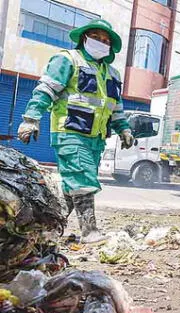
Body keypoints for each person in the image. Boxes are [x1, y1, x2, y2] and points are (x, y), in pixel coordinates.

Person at [17, 19, 133, 244]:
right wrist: (31, 119)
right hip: (70, 132)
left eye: (106, 40)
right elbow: (46, 90)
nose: (101, 42)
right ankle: (89, 232)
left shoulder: (113, 73)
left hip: (96, 139)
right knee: (81, 179)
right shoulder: (68, 60)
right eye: (96, 37)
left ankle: (45, 230)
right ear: (84, 38)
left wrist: (124, 129)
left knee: (72, 187)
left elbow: (115, 107)